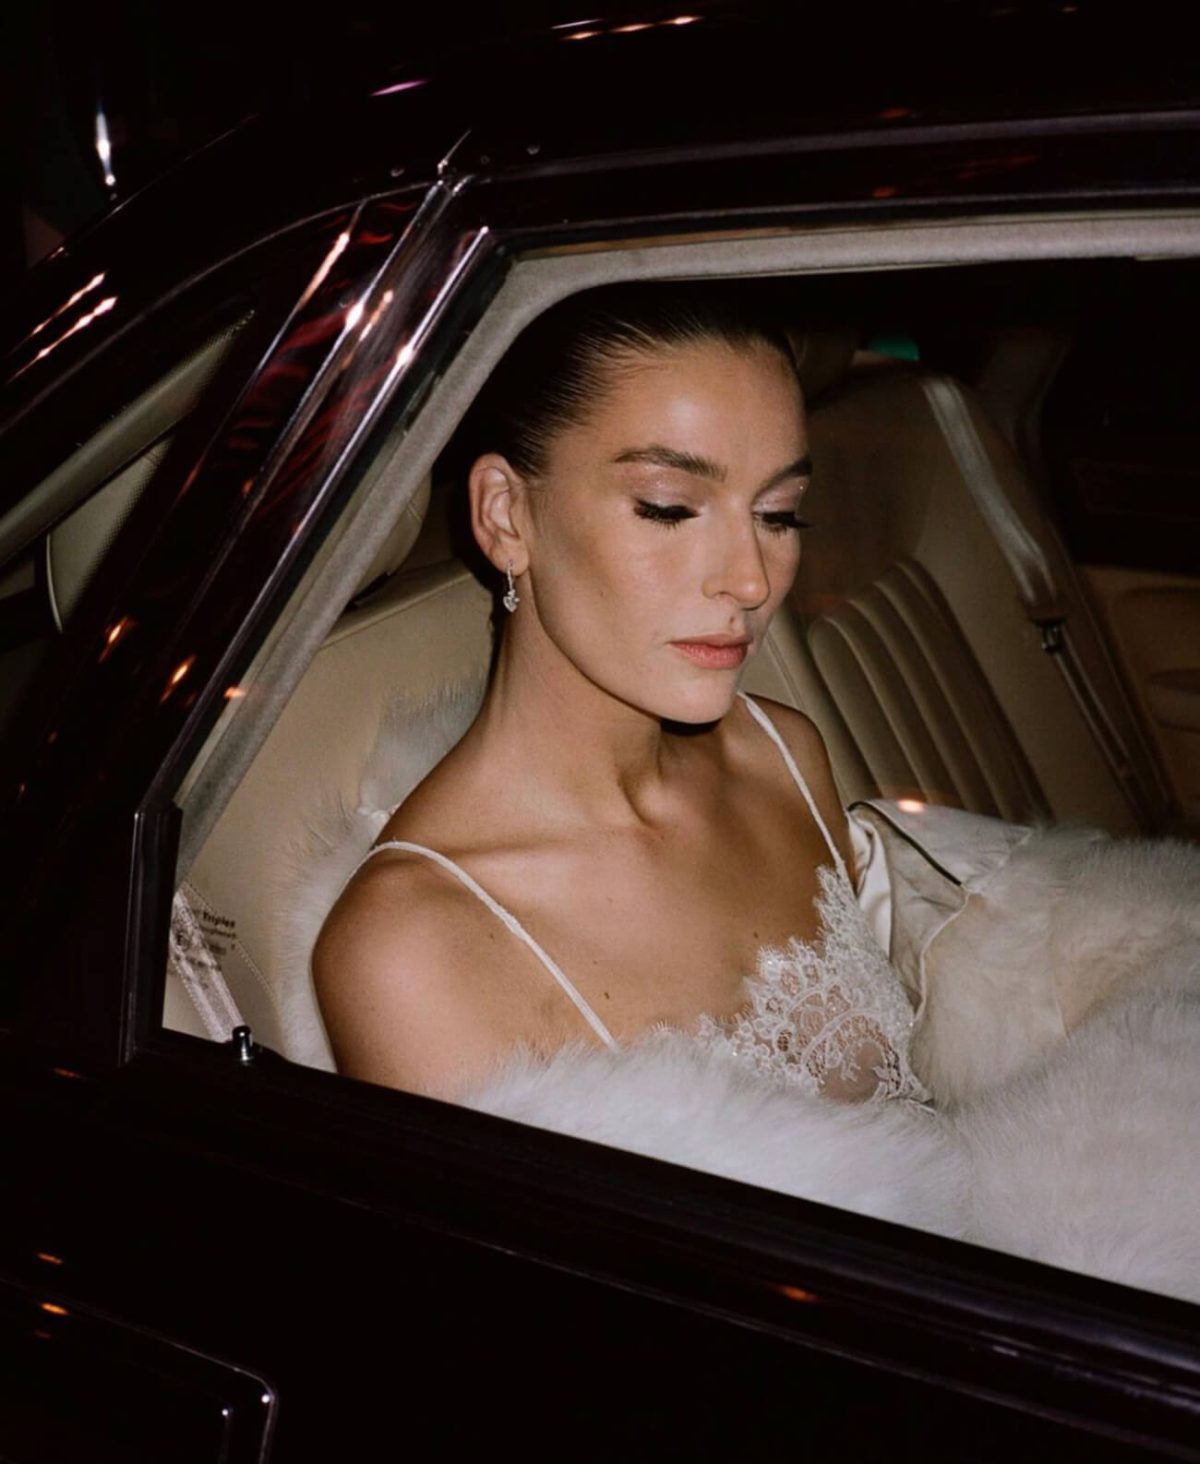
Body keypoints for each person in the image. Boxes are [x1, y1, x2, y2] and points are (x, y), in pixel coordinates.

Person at [314, 285, 926, 1106]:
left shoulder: (782, 756)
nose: (750, 579)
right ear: (506, 516)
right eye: (668, 509)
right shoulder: (413, 950)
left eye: (779, 514)